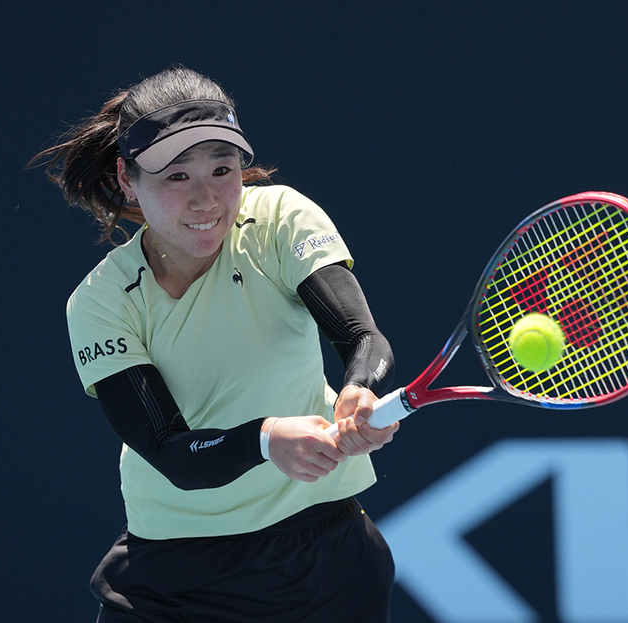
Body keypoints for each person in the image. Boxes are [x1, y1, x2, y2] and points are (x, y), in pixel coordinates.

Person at [33, 66, 399, 622]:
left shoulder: (280, 220)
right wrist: (266, 439)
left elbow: (360, 337)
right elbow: (168, 451)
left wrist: (358, 389)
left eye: (222, 170)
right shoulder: (102, 302)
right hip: (174, 584)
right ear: (127, 179)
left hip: (324, 566)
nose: (207, 199)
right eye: (176, 177)